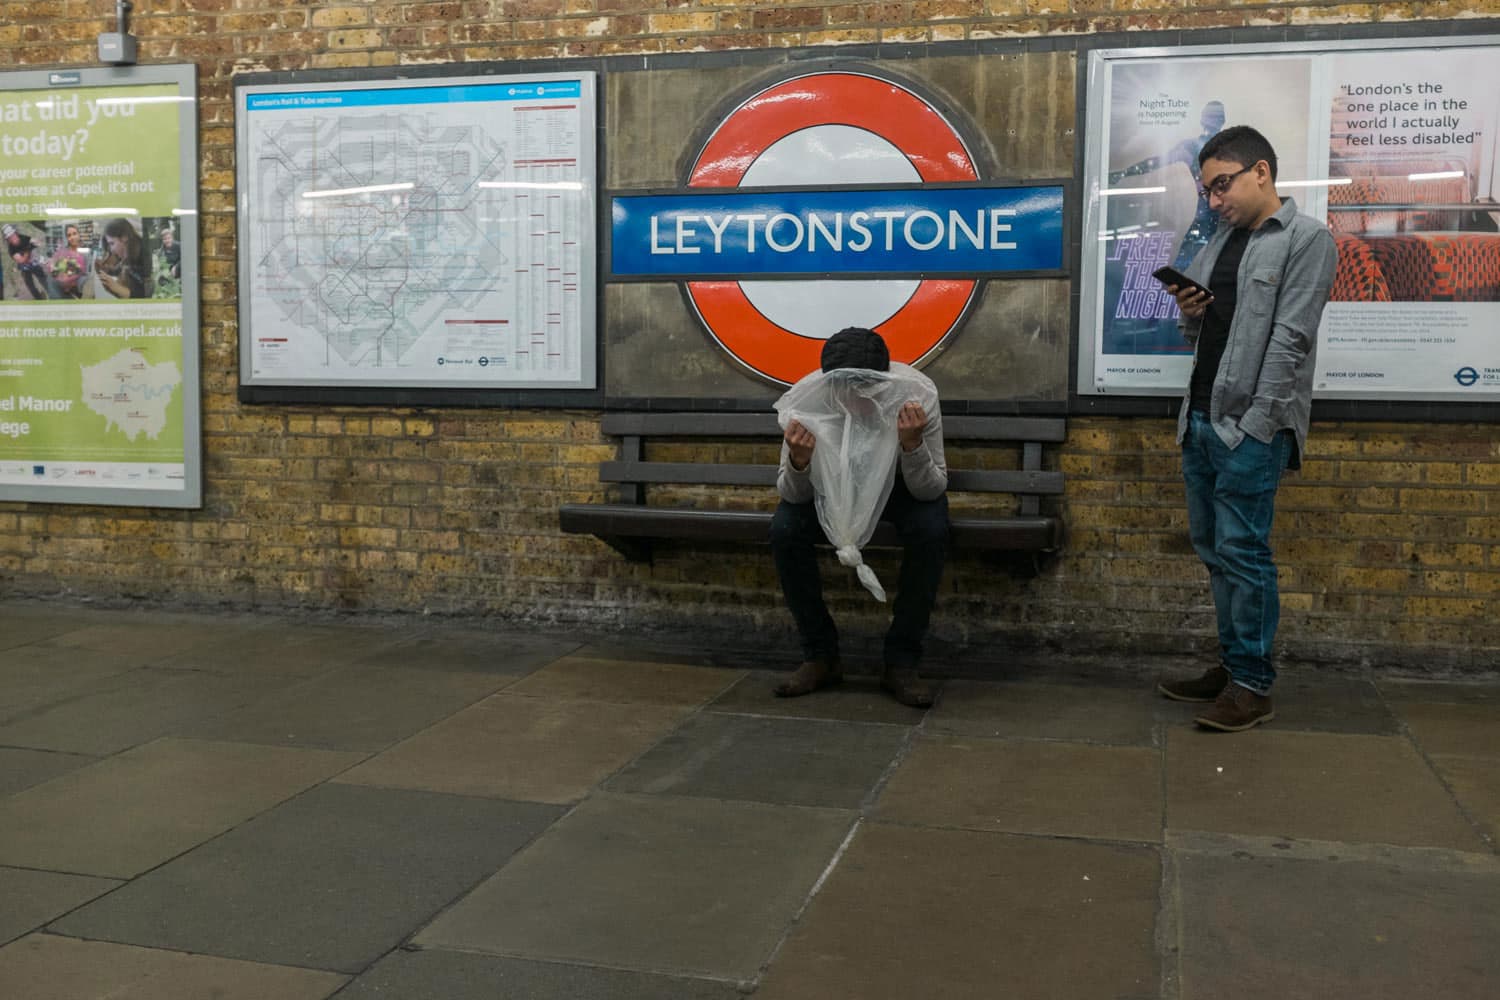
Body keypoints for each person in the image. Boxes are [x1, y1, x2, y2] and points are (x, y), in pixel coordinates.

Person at [1156, 126, 1338, 732]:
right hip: (1201, 418)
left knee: (1245, 554)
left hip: (1251, 429)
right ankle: (1233, 665)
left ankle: (1254, 685)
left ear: (1261, 171)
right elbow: (1204, 337)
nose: (1213, 200)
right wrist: (1189, 314)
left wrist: (1258, 426)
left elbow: (1291, 341)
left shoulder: (1307, 240)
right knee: (1216, 553)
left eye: (1221, 185)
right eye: (1208, 190)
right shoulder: (1223, 242)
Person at [769, 327, 949, 708]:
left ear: (883, 379)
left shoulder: (919, 395)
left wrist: (912, 446)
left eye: (865, 388)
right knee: (785, 529)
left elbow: (932, 489)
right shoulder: (809, 399)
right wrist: (800, 463)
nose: (854, 397)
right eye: (843, 387)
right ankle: (820, 656)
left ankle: (901, 663)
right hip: (834, 487)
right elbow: (791, 494)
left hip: (901, 488)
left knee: (931, 529)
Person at [96, 217, 148, 299]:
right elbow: (120, 269)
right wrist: (108, 270)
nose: (111, 250)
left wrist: (116, 287)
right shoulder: (127, 255)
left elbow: (146, 296)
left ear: (124, 237)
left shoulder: (145, 256)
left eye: (112, 243)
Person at [3, 223, 49, 300]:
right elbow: (22, 260)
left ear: (16, 233)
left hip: (33, 262)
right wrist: (29, 249)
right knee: (30, 285)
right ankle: (39, 298)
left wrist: (36, 242)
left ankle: (51, 293)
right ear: (8, 239)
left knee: (43, 279)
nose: (13, 237)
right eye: (10, 237)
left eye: (13, 234)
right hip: (24, 267)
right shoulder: (11, 250)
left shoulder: (22, 237)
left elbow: (35, 241)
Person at [49, 223, 89, 298]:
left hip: (77, 284)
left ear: (79, 234)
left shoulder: (84, 251)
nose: (72, 237)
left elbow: (83, 272)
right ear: (67, 238)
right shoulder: (65, 250)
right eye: (69, 235)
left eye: (74, 233)